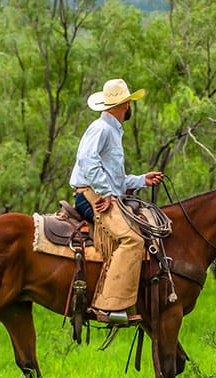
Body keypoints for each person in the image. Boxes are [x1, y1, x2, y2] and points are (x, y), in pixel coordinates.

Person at [69, 78, 164, 324]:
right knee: (132, 239)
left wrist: (142, 179)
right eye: (129, 103)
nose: (130, 107)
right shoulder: (101, 129)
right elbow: (88, 162)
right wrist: (106, 193)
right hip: (90, 196)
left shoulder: (111, 130)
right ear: (125, 105)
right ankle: (108, 307)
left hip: (100, 192)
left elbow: (116, 178)